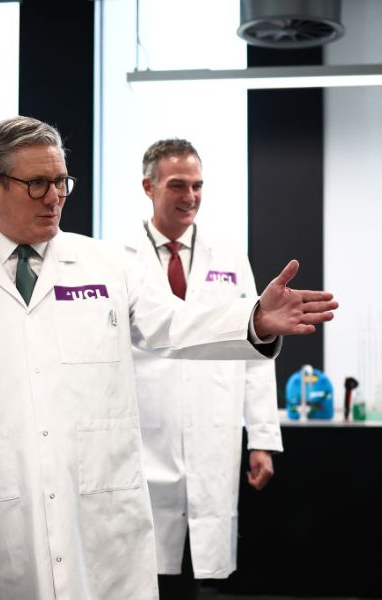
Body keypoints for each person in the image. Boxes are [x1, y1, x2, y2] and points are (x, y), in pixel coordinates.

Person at [0, 116, 337, 600]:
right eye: (38, 184)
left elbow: (174, 324)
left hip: (98, 514)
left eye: (61, 182)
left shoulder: (105, 265)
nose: (54, 197)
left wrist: (253, 319)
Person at [125, 138, 282, 599]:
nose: (190, 196)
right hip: (145, 431)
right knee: (146, 567)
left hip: (213, 428)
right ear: (149, 187)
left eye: (197, 186)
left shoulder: (229, 256)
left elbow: (254, 350)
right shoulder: (120, 257)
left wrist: (262, 438)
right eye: (178, 185)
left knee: (203, 572)